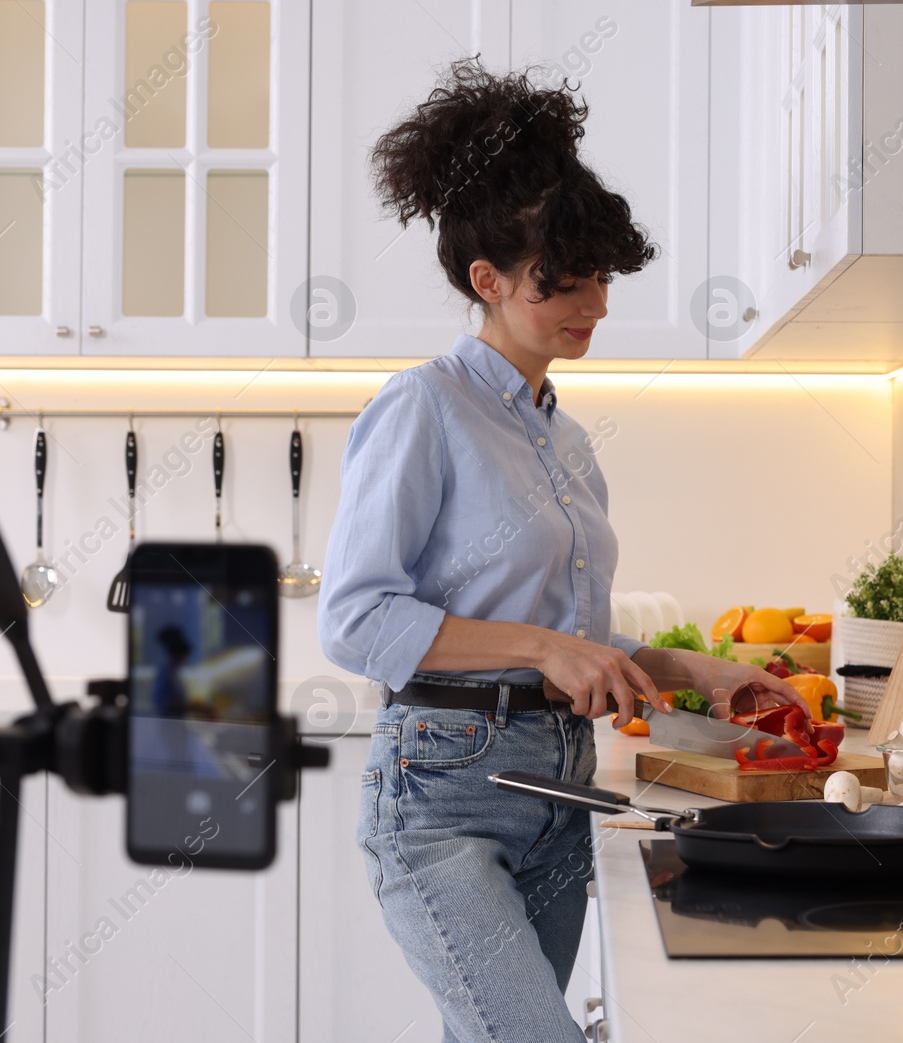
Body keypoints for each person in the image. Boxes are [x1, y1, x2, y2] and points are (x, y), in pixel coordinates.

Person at [318, 59, 809, 1043]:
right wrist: (545, 651)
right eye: (563, 282)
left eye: (600, 278)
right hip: (441, 792)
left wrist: (689, 669)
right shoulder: (424, 407)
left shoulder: (567, 437)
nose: (593, 303)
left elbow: (566, 640)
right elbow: (355, 618)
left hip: (558, 784)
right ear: (486, 282)